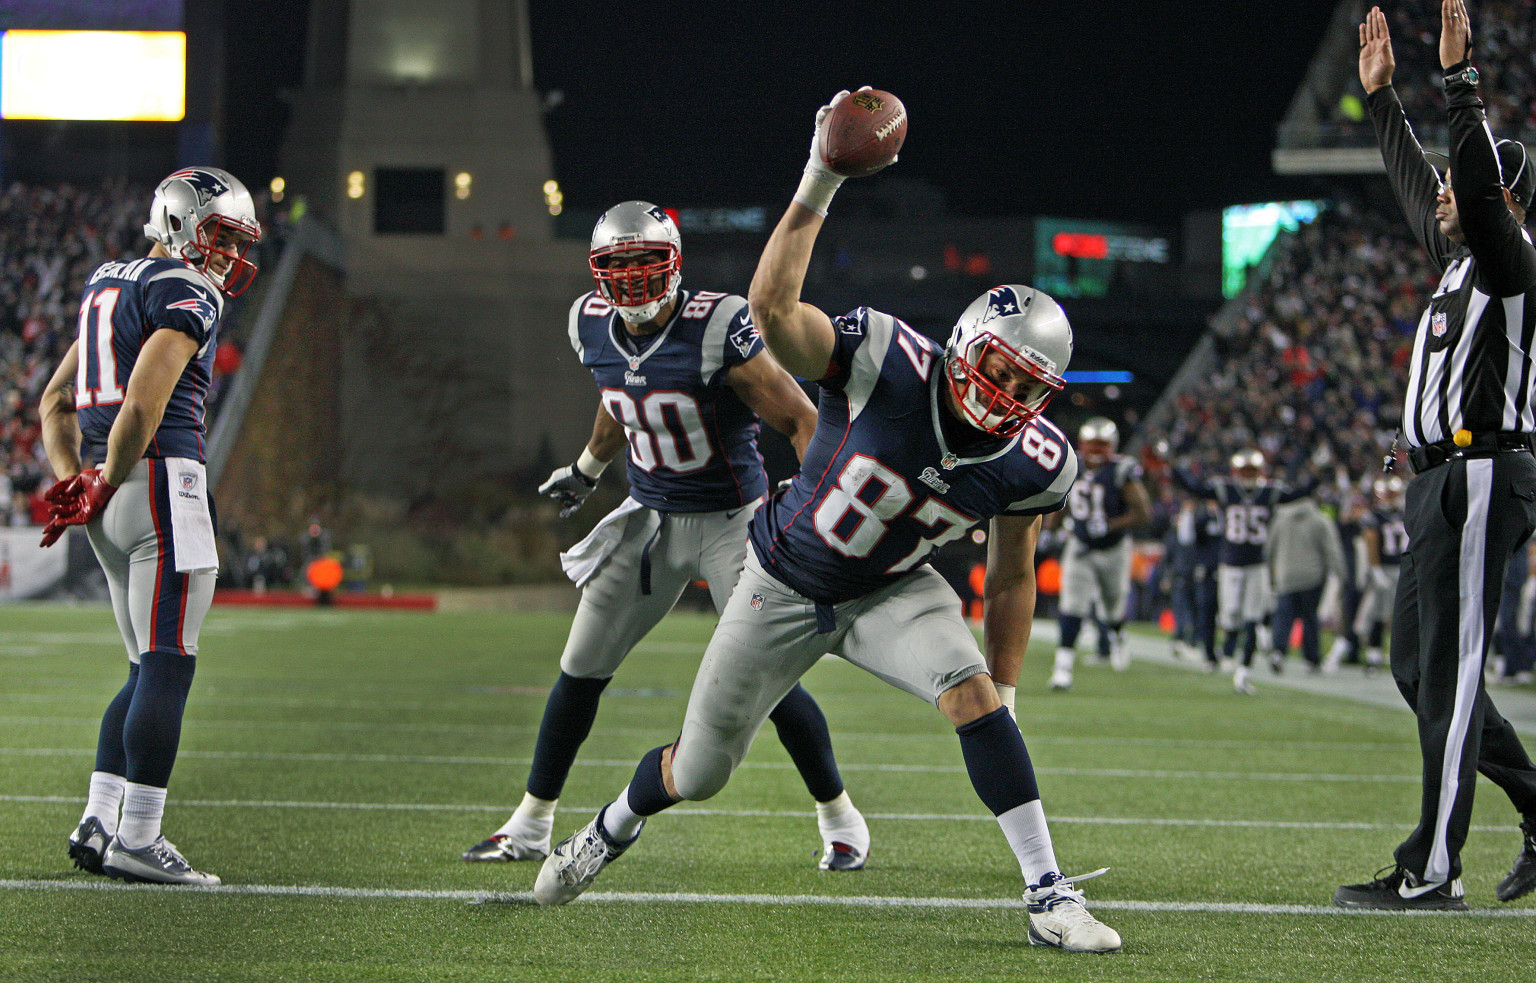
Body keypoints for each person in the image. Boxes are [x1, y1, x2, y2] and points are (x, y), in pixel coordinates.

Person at [529, 90, 1122, 955]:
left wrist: (1009, 693)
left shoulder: (1039, 461)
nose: (1008, 397)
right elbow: (772, 315)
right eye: (999, 370)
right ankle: (613, 823)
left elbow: (1011, 574)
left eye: (1030, 389)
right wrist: (819, 177)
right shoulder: (886, 357)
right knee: (699, 769)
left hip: (890, 589)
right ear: (963, 346)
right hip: (783, 575)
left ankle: (1047, 893)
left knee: (972, 694)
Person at [462, 201, 869, 870]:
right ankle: (531, 822)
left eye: (644, 265)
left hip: (732, 520)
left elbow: (800, 418)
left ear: (674, 262)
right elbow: (618, 393)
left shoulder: (716, 325)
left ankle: (840, 816)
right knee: (580, 665)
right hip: (650, 519)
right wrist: (588, 468)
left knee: (769, 673)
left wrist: (811, 508)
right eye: (615, 268)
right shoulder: (588, 323)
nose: (629, 282)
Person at [1335, 2, 1536, 910]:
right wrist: (1382, 102)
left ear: (1503, 199)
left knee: (1450, 679)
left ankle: (1433, 868)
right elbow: (1426, 191)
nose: (1445, 193)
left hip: (1484, 471)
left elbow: (1474, 202)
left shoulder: (1511, 263)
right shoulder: (1457, 261)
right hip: (1438, 479)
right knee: (1417, 671)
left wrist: (1461, 87)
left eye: (1466, 183)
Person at [36, 166, 262, 886]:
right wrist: (102, 476)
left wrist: (79, 478)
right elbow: (141, 405)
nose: (225, 255)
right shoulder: (185, 290)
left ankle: (100, 817)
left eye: (235, 242)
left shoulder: (108, 283)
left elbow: (54, 401)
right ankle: (139, 834)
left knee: (142, 669)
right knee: (169, 662)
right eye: (217, 236)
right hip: (163, 483)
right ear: (177, 223)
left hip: (114, 498)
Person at [1172, 449, 1315, 694]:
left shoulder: (1270, 492)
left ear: (1260, 472)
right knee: (1231, 618)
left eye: (1253, 471)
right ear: (1236, 472)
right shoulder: (1226, 489)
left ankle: (1243, 673)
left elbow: (1300, 494)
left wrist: (1316, 474)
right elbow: (1194, 487)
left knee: (1252, 619)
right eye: (1244, 471)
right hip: (1230, 565)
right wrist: (1174, 466)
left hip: (1257, 565)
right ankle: (1234, 647)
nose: (1248, 476)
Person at [1047, 417, 1150, 689]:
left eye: (1102, 444)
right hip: (1080, 546)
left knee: (1112, 606)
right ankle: (1063, 669)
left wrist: (1111, 525)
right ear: (1081, 444)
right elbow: (1060, 501)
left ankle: (1118, 635)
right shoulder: (1071, 465)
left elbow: (1143, 513)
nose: (1095, 449)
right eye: (1091, 443)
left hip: (1114, 548)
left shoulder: (1121, 471)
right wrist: (1049, 529)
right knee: (1072, 605)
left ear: (1112, 446)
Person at [1324, 476, 1407, 676]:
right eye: (1387, 494)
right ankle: (1346, 654)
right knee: (1367, 617)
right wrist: (1376, 569)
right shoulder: (1374, 517)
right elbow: (1370, 541)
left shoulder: (1406, 514)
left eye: (1392, 494)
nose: (1390, 497)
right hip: (1381, 572)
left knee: (1394, 618)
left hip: (1402, 569)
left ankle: (1376, 659)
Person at [1265, 493, 1345, 674]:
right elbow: (1332, 550)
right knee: (1309, 618)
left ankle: (1278, 651)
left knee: (1284, 616)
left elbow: (1269, 548)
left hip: (1285, 575)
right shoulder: (1319, 519)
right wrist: (1340, 574)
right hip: (1311, 576)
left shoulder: (1280, 519)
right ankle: (1311, 659)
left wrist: (1271, 575)